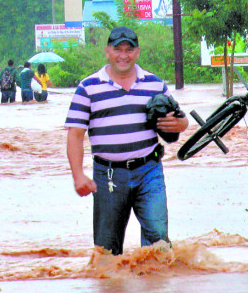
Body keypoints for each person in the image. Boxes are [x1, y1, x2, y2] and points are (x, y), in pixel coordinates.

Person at [64, 26, 189, 255]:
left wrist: (182, 124)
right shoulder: (88, 88)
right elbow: (75, 135)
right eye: (117, 49)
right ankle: (114, 292)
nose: (123, 55)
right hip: (108, 175)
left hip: (149, 171)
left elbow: (178, 119)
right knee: (107, 253)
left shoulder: (154, 84)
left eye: (129, 50)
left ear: (137, 52)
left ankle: (155, 291)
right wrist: (78, 175)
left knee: (158, 244)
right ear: (107, 52)